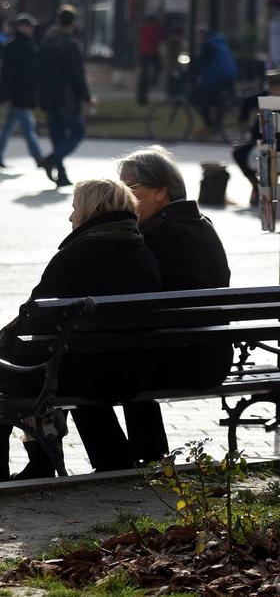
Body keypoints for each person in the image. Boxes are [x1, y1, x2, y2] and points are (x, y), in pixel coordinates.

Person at [0, 179, 162, 484]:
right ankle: (109, 462)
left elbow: (33, 319)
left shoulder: (75, 257)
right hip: (134, 371)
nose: (70, 217)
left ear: (91, 211)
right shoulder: (143, 253)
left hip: (84, 375)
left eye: (75, 208)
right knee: (70, 365)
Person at [116, 146, 232, 465]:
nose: (122, 195)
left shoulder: (155, 236)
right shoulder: (200, 224)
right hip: (213, 356)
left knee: (91, 369)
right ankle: (148, 459)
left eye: (130, 188)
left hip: (180, 361)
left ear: (160, 191)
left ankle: (115, 463)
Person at [40, 5, 96, 188]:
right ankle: (52, 159)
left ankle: (61, 175)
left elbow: (39, 71)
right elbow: (76, 75)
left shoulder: (47, 42)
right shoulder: (71, 45)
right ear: (72, 23)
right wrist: (87, 96)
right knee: (77, 132)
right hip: (67, 98)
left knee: (57, 137)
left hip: (49, 97)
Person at [0, 13, 44, 168]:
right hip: (19, 95)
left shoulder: (25, 44)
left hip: (19, 95)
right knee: (28, 128)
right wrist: (6, 94)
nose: (31, 29)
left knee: (8, 127)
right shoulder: (17, 46)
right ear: (21, 27)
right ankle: (38, 157)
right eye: (29, 26)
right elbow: (8, 74)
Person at [233, 70, 280, 206]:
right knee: (240, 153)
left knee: (269, 157)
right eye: (272, 87)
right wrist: (245, 123)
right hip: (260, 142)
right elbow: (247, 103)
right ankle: (257, 186)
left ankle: (268, 193)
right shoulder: (264, 97)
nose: (274, 90)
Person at [192, 26, 238, 136]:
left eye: (198, 36)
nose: (197, 39)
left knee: (204, 102)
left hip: (218, 77)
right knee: (215, 101)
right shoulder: (219, 42)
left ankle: (210, 127)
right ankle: (215, 125)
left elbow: (200, 62)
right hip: (228, 76)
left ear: (202, 35)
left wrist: (188, 74)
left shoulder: (209, 45)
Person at [136, 15, 163, 106]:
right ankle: (153, 80)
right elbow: (161, 36)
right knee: (158, 67)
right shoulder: (155, 28)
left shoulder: (143, 28)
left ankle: (142, 95)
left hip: (144, 53)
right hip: (151, 53)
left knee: (144, 73)